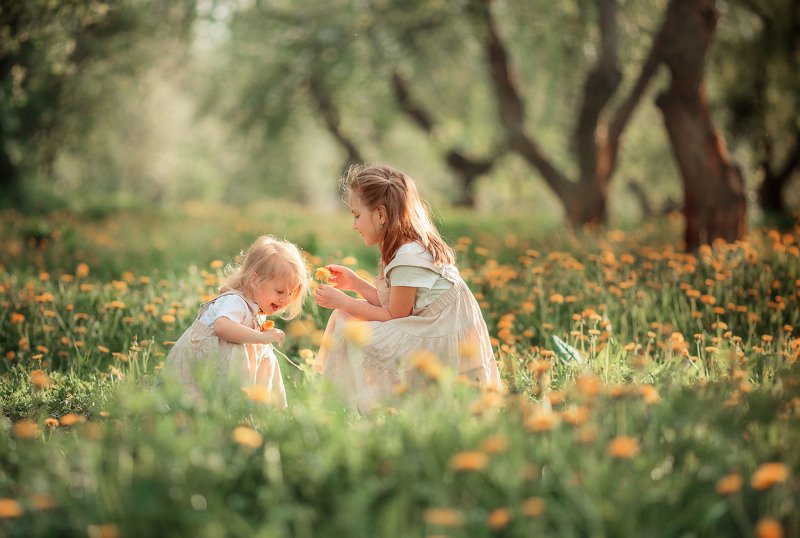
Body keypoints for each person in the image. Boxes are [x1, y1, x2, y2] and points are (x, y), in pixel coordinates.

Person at [313, 164, 502, 412]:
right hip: (431, 326)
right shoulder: (406, 246)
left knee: (345, 322)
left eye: (356, 215)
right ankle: (349, 404)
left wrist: (343, 302)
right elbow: (393, 305)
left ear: (380, 215)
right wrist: (355, 284)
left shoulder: (408, 256)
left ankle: (343, 407)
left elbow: (395, 315)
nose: (354, 225)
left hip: (438, 337)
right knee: (346, 317)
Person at [159, 235, 308, 406]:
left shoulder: (255, 306)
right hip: (206, 365)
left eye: (291, 293)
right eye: (280, 291)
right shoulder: (234, 301)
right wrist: (262, 338)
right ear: (255, 280)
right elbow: (222, 327)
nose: (285, 299)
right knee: (195, 402)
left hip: (222, 366)